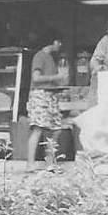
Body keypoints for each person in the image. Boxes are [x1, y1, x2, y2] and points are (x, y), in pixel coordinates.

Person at [26, 28, 67, 173]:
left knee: (56, 129)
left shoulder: (50, 58)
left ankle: (50, 161)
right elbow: (36, 78)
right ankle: (30, 164)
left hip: (51, 95)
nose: (60, 46)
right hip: (40, 95)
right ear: (55, 41)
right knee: (38, 128)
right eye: (59, 42)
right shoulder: (40, 56)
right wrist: (56, 78)